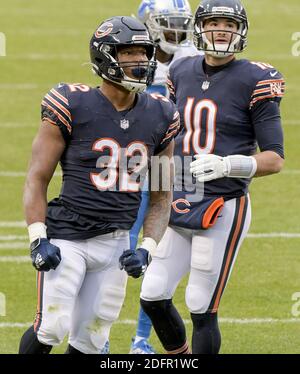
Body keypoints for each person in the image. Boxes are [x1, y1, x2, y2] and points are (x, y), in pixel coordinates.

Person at [18, 16, 180, 354]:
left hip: (116, 243)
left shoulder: (163, 114)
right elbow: (37, 177)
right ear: (106, 56)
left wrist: (146, 249)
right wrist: (37, 238)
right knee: (52, 325)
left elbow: (163, 196)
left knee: (92, 339)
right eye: (129, 53)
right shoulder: (71, 104)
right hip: (68, 237)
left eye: (144, 53)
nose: (140, 61)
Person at [134, 0, 285, 354]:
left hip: (223, 202)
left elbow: (274, 159)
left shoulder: (257, 78)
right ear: (200, 28)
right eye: (215, 22)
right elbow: (170, 134)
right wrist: (157, 181)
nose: (222, 30)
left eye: (229, 25)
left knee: (200, 303)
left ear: (241, 31)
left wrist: (227, 164)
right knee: (152, 295)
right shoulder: (181, 69)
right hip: (181, 194)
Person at [128, 0, 200, 354]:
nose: (177, 31)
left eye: (181, 23)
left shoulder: (194, 56)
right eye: (168, 24)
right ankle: (99, 332)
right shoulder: (132, 53)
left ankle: (140, 340)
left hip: (175, 160)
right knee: (121, 249)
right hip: (133, 159)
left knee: (156, 253)